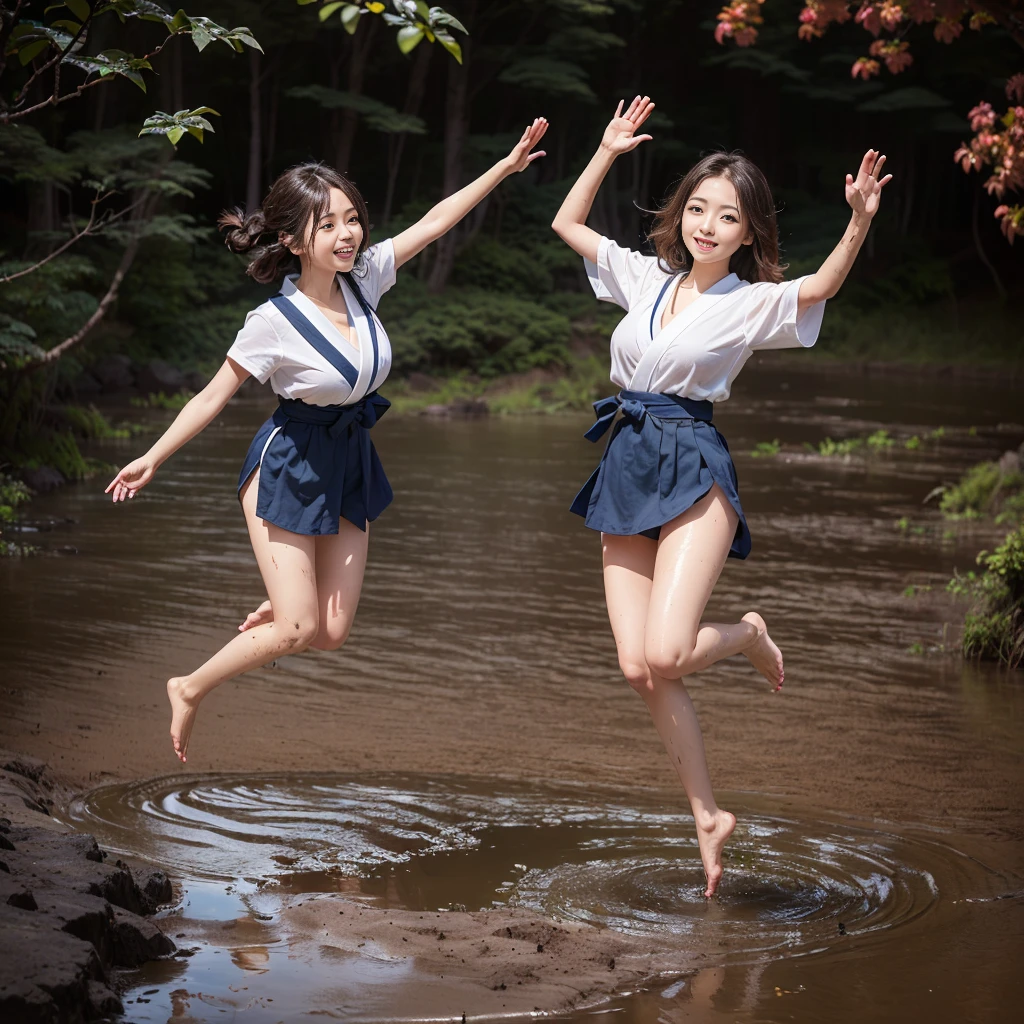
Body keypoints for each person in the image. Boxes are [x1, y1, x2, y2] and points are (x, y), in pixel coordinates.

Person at [105, 118, 549, 764]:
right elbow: (211, 395)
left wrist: (504, 168)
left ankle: (287, 593)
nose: (347, 235)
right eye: (328, 226)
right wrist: (152, 456)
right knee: (299, 627)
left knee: (331, 633)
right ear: (291, 239)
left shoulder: (363, 280)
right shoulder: (272, 323)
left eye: (352, 219)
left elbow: (433, 222)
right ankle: (189, 685)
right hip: (286, 461)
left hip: (349, 457)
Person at [551, 96, 890, 897]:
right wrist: (605, 151)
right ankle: (707, 815)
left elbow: (820, 288)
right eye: (698, 208)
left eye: (727, 216)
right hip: (627, 461)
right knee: (640, 669)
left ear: (747, 232)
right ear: (681, 214)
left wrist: (858, 221)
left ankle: (746, 632)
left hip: (695, 462)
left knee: (668, 653)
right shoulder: (644, 278)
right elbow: (568, 223)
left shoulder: (750, 302)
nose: (708, 225)